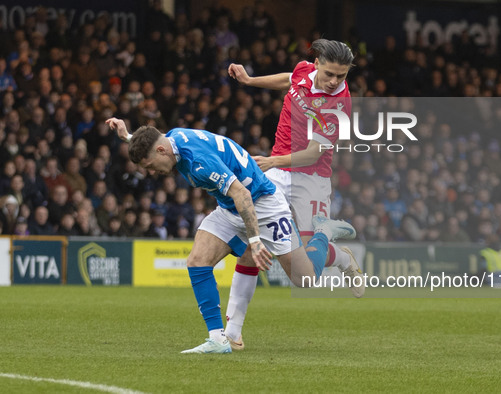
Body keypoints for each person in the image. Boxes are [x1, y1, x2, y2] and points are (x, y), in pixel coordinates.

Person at [106, 117, 354, 354]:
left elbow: (242, 194)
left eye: (150, 166)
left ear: (161, 151)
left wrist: (255, 241)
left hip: (264, 205)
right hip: (230, 207)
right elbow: (151, 141)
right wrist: (128, 135)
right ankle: (218, 338)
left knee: (305, 279)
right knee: (197, 260)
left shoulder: (198, 162)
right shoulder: (171, 139)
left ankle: (324, 232)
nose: (152, 171)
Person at [225, 38, 364, 351]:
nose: (334, 81)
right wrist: (249, 80)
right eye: (329, 74)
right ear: (315, 64)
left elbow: (313, 154)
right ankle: (232, 332)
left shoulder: (339, 105)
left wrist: (273, 159)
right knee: (253, 243)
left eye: (341, 76)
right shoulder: (303, 70)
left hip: (310, 180)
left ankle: (338, 255)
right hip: (276, 174)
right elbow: (287, 79)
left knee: (304, 279)